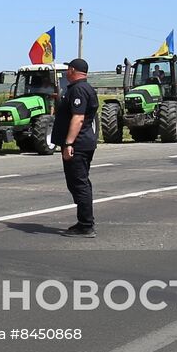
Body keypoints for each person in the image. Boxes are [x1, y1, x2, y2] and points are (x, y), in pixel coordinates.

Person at [54, 58, 99, 238]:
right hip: (83, 143)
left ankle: (86, 225)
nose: (66, 72)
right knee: (80, 183)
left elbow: (78, 118)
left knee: (79, 184)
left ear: (73, 70)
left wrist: (69, 143)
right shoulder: (85, 88)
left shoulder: (79, 89)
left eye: (68, 69)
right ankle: (84, 222)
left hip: (78, 144)